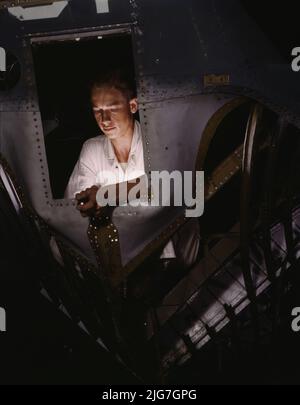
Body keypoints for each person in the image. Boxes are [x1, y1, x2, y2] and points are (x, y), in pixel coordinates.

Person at [65, 70, 177, 259]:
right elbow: (77, 203)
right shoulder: (91, 149)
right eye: (97, 111)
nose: (104, 120)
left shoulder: (160, 142)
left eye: (113, 109)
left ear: (133, 106)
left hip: (163, 254)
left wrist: (105, 195)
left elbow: (169, 186)